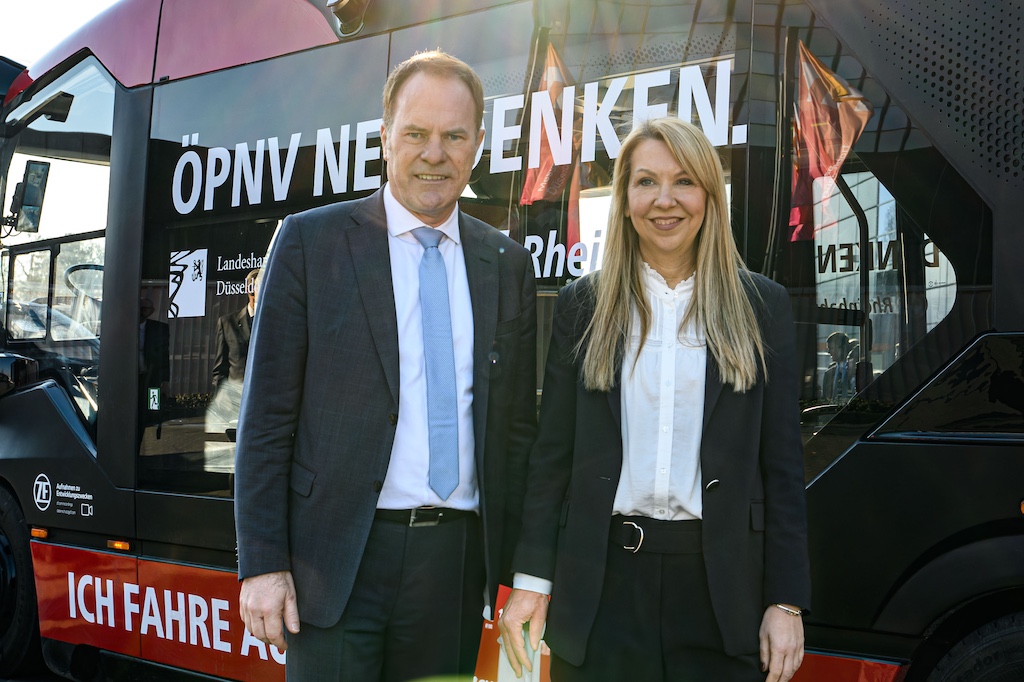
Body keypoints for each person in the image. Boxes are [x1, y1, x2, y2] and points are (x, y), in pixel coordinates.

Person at [234, 50, 537, 681]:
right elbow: (264, 419)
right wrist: (262, 563)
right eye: (417, 134)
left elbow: (515, 432)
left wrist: (521, 571)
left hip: (453, 566)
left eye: (454, 135)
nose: (436, 153)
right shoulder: (310, 243)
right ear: (385, 138)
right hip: (335, 561)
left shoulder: (504, 263)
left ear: (478, 144)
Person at [498, 118, 809, 682]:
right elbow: (551, 459)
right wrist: (530, 584)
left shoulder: (762, 306)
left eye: (684, 180)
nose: (665, 201)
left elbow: (782, 467)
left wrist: (785, 601)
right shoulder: (581, 306)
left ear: (710, 196)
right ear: (624, 200)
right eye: (645, 182)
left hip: (721, 597)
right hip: (602, 593)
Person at [212, 268, 259, 388]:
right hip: (236, 400)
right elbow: (220, 371)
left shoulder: (276, 323)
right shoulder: (227, 323)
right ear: (250, 290)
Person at [822, 331, 853, 402]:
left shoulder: (854, 371)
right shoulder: (828, 374)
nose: (828, 352)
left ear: (843, 348)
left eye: (831, 348)